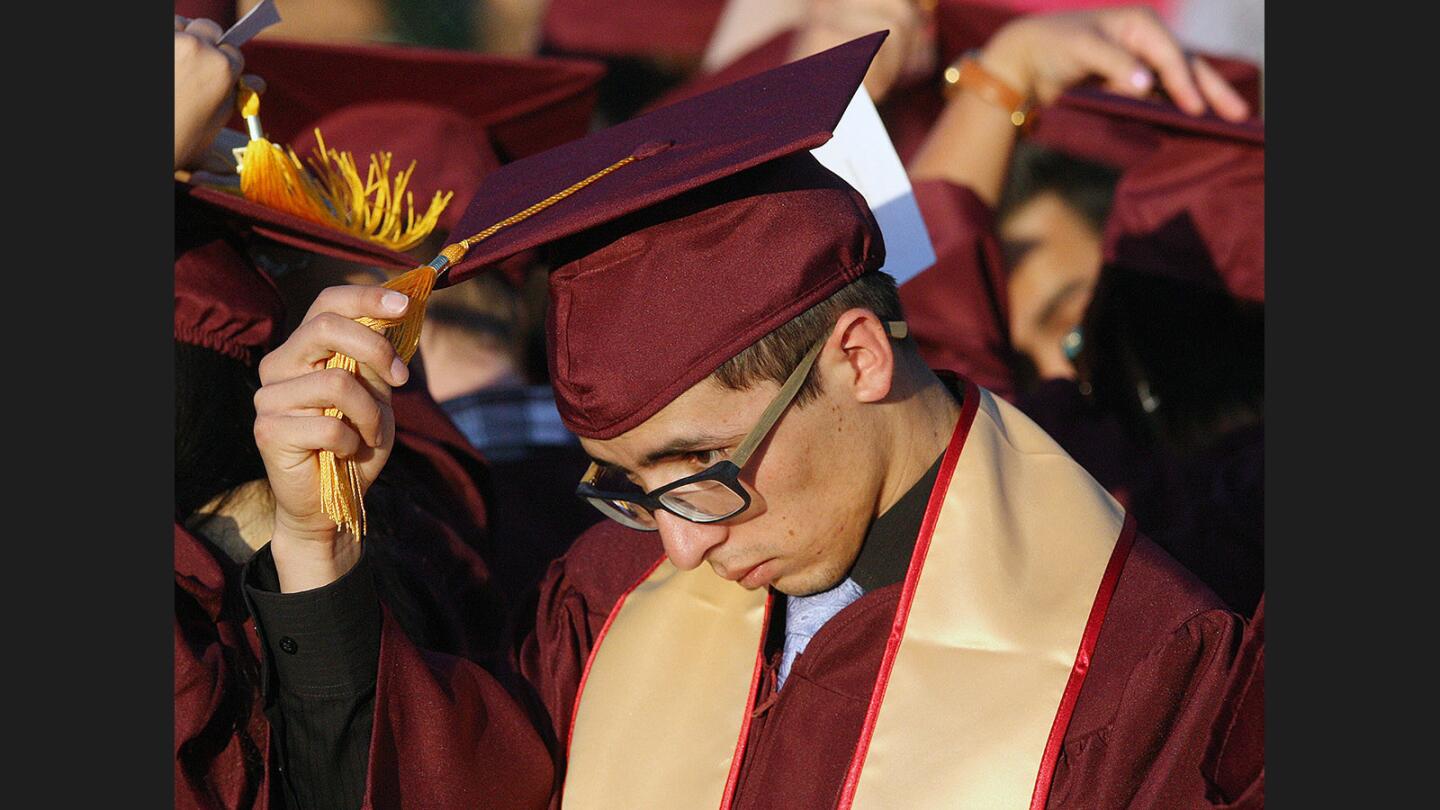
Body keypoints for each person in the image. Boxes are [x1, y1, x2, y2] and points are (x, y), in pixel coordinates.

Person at [245, 34, 1248, 807]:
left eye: (700, 465)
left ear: (857, 356)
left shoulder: (1133, 663)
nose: (681, 545)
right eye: (629, 488)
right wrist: (317, 542)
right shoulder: (606, 594)